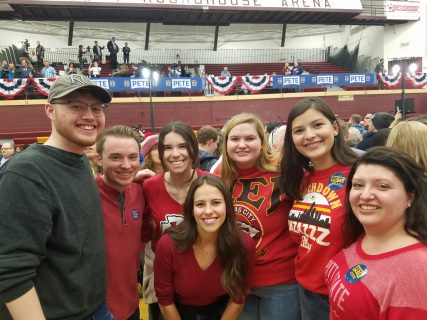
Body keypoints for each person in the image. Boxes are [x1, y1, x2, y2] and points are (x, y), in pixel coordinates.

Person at [0, 74, 113, 319]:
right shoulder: (26, 172)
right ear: (50, 110)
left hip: (95, 309)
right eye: (76, 106)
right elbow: (11, 269)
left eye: (97, 108)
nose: (89, 116)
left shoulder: (80, 160)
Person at [325, 147, 427, 319]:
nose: (365, 195)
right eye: (358, 185)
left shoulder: (418, 271)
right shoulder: (360, 236)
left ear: (410, 197)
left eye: (382, 186)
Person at [280, 97, 358, 320]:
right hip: (306, 289)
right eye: (299, 130)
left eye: (317, 125)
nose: (309, 135)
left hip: (345, 293)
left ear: (334, 128)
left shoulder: (360, 172)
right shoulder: (300, 178)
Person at [219, 113, 300, 320]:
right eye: (235, 139)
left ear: (262, 142)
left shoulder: (283, 172)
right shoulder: (220, 176)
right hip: (237, 280)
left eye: (250, 138)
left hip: (280, 282)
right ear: (226, 143)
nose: (242, 145)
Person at [154, 175, 255, 320]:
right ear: (191, 209)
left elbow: (239, 295)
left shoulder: (244, 245)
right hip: (176, 312)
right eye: (200, 204)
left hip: (220, 312)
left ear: (227, 206)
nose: (208, 211)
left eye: (216, 203)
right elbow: (164, 300)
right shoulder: (168, 245)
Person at [142, 121, 209, 320]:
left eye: (182, 146)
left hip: (204, 280)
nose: (175, 154)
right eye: (168, 148)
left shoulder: (210, 183)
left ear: (193, 149)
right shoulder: (149, 186)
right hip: (164, 282)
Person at [95, 125, 150, 320]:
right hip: (96, 311)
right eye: (116, 157)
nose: (126, 165)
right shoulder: (86, 194)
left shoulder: (141, 191)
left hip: (131, 306)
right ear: (99, 159)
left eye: (133, 157)